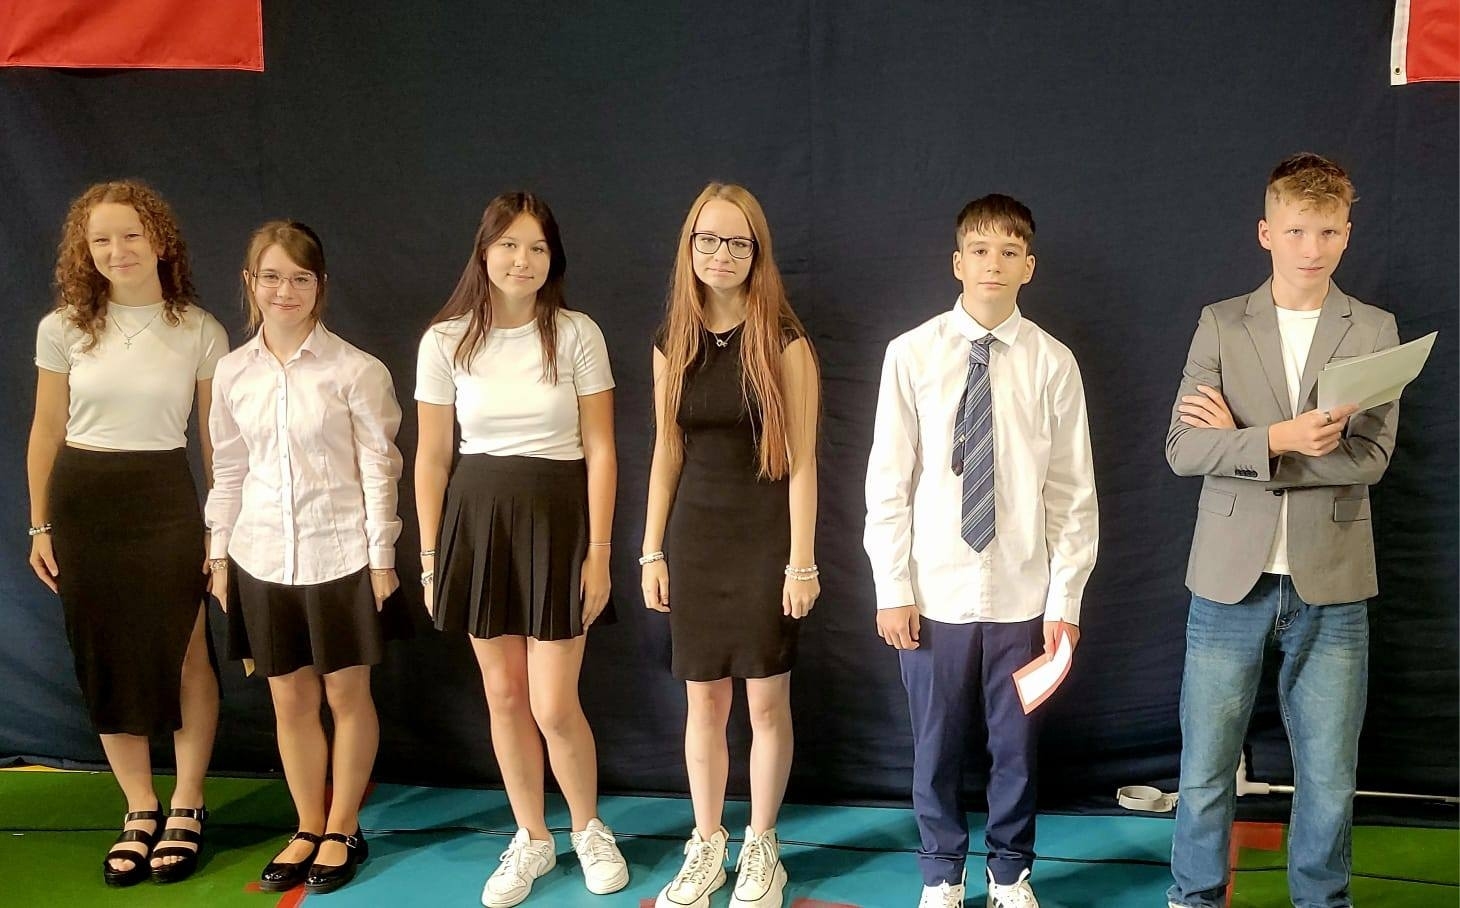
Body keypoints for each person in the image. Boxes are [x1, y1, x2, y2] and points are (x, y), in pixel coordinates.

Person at [1164, 153, 1400, 908]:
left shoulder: (1375, 328)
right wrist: (1279, 438)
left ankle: (1322, 903)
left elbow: (1371, 459)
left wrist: (1251, 443)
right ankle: (1194, 898)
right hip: (1227, 582)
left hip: (1333, 583)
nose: (1312, 247)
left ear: (1347, 234)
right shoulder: (1222, 323)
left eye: (1328, 231)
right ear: (1266, 232)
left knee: (1329, 775)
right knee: (1205, 768)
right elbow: (1183, 449)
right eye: (1296, 230)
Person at [864, 194, 1098, 908]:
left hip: (1023, 597)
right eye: (979, 250)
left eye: (1008, 252)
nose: (992, 264)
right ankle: (941, 874)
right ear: (956, 262)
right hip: (933, 594)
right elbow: (889, 481)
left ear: (1029, 266)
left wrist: (1064, 601)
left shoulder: (1053, 363)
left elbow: (1072, 492)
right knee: (934, 747)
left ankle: (1010, 874)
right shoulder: (911, 355)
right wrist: (892, 588)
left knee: (1016, 748)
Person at [415, 192, 628, 907]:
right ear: (484, 252)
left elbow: (601, 450)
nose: (522, 260)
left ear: (552, 258)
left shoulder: (576, 333)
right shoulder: (445, 340)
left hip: (559, 521)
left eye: (537, 247)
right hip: (477, 526)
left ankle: (588, 827)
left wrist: (599, 553)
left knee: (553, 702)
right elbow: (432, 457)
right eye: (508, 244)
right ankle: (532, 836)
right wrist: (430, 558)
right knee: (504, 695)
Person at [26, 179, 228, 886]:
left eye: (132, 235)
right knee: (104, 655)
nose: (119, 250)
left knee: (186, 652)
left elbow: (215, 442)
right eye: (102, 239)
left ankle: (188, 802)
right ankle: (139, 806)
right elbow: (46, 430)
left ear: (161, 240)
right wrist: (40, 524)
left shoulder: (200, 329)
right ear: (85, 250)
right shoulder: (63, 328)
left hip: (164, 496)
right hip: (84, 501)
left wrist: (219, 528)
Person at [206, 221, 403, 894]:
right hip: (259, 555)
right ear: (249, 283)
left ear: (321, 285)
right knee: (289, 698)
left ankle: (343, 826)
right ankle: (307, 824)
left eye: (299, 278)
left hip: (339, 554)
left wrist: (382, 558)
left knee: (347, 694)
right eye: (271, 277)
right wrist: (219, 557)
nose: (284, 291)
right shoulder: (232, 372)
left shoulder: (356, 370)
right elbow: (228, 467)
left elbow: (380, 468)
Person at [642, 182, 821, 908]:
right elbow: (666, 451)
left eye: (737, 242)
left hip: (765, 542)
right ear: (689, 247)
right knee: (704, 704)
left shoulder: (785, 341)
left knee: (766, 704)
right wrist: (651, 550)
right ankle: (707, 844)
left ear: (757, 253)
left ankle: (762, 847)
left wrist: (801, 562)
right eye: (709, 240)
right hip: (695, 538)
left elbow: (804, 462)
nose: (722, 254)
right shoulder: (672, 342)